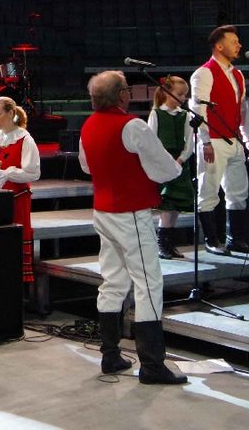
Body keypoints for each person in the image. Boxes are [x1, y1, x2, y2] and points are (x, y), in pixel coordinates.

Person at [78, 70, 186, 385]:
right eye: (127, 88)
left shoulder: (88, 124)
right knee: (149, 284)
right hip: (130, 212)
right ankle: (152, 365)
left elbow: (86, 166)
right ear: (122, 95)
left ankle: (110, 354)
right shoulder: (132, 125)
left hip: (104, 210)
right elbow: (165, 169)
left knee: (113, 281)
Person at [189, 25, 249, 255]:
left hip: (234, 140)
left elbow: (242, 109)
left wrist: (248, 139)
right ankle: (211, 240)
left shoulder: (237, 74)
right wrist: (205, 141)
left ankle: (234, 238)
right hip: (214, 139)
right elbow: (198, 109)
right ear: (219, 46)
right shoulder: (204, 72)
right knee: (209, 189)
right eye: (233, 41)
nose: (239, 45)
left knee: (237, 191)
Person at [0, 95, 41, 287]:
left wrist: (8, 173)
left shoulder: (25, 139)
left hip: (17, 199)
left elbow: (33, 173)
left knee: (15, 242)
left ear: (10, 113)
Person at [148, 76, 195, 260]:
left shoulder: (185, 115)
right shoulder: (157, 114)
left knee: (176, 205)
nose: (183, 98)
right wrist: (165, 162)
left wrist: (181, 160)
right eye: (180, 94)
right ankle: (162, 243)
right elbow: (152, 140)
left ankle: (170, 243)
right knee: (167, 204)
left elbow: (189, 143)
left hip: (179, 164)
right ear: (167, 93)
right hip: (164, 163)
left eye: (185, 95)